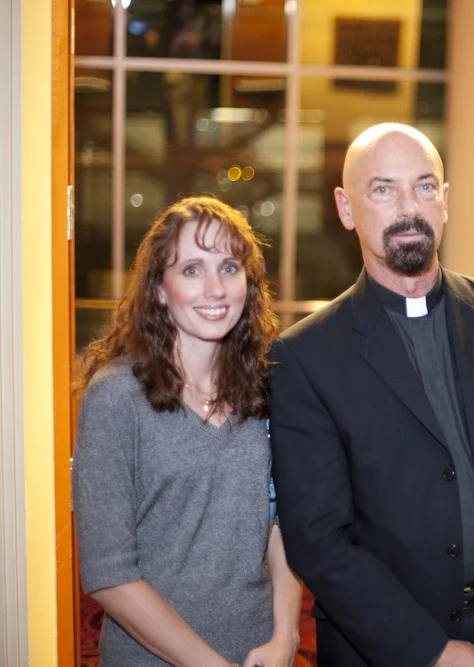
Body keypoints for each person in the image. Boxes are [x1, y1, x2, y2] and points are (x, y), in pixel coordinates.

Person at [267, 123, 474, 667]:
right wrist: (430, 651)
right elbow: (319, 539)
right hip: (385, 652)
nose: (408, 208)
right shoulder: (305, 357)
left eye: (423, 186)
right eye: (383, 189)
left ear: (445, 201)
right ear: (346, 208)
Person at [72, 196, 301, 666]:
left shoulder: (265, 389)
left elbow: (280, 525)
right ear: (159, 288)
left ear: (248, 285)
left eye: (229, 268)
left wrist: (286, 637)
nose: (215, 289)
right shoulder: (115, 397)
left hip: (258, 652)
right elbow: (109, 574)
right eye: (192, 270)